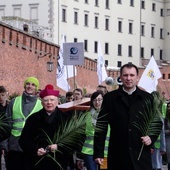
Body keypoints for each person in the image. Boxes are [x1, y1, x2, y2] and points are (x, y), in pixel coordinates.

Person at [93, 63, 163, 170]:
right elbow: (101, 126)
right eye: (125, 75)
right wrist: (98, 152)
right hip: (118, 154)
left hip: (140, 153)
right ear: (120, 77)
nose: (128, 78)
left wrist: (151, 137)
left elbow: (157, 121)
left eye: (132, 75)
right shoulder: (110, 98)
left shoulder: (147, 98)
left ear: (137, 77)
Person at [19, 84, 79, 170]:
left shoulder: (67, 119)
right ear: (42, 102)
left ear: (57, 101)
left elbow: (74, 140)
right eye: (46, 100)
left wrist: (58, 147)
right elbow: (23, 140)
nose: (49, 103)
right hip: (38, 162)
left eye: (52, 100)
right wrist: (35, 149)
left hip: (60, 162)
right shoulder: (33, 119)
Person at [4, 77, 43, 170]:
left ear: (36, 88)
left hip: (32, 147)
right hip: (14, 145)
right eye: (28, 84)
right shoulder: (14, 102)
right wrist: (3, 144)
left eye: (33, 85)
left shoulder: (41, 105)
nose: (30, 86)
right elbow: (6, 125)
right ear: (24, 85)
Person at [77, 91, 110, 170]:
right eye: (95, 100)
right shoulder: (86, 115)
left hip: (105, 152)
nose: (97, 102)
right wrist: (79, 157)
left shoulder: (109, 115)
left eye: (99, 100)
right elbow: (80, 135)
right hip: (89, 151)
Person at [0, 86, 10, 170]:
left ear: (6, 95)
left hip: (9, 141)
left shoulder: (10, 107)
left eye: (2, 95)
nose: (1, 97)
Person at [164, 102, 170, 170]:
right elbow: (162, 131)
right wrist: (168, 131)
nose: (169, 108)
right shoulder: (165, 118)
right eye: (168, 107)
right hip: (168, 141)